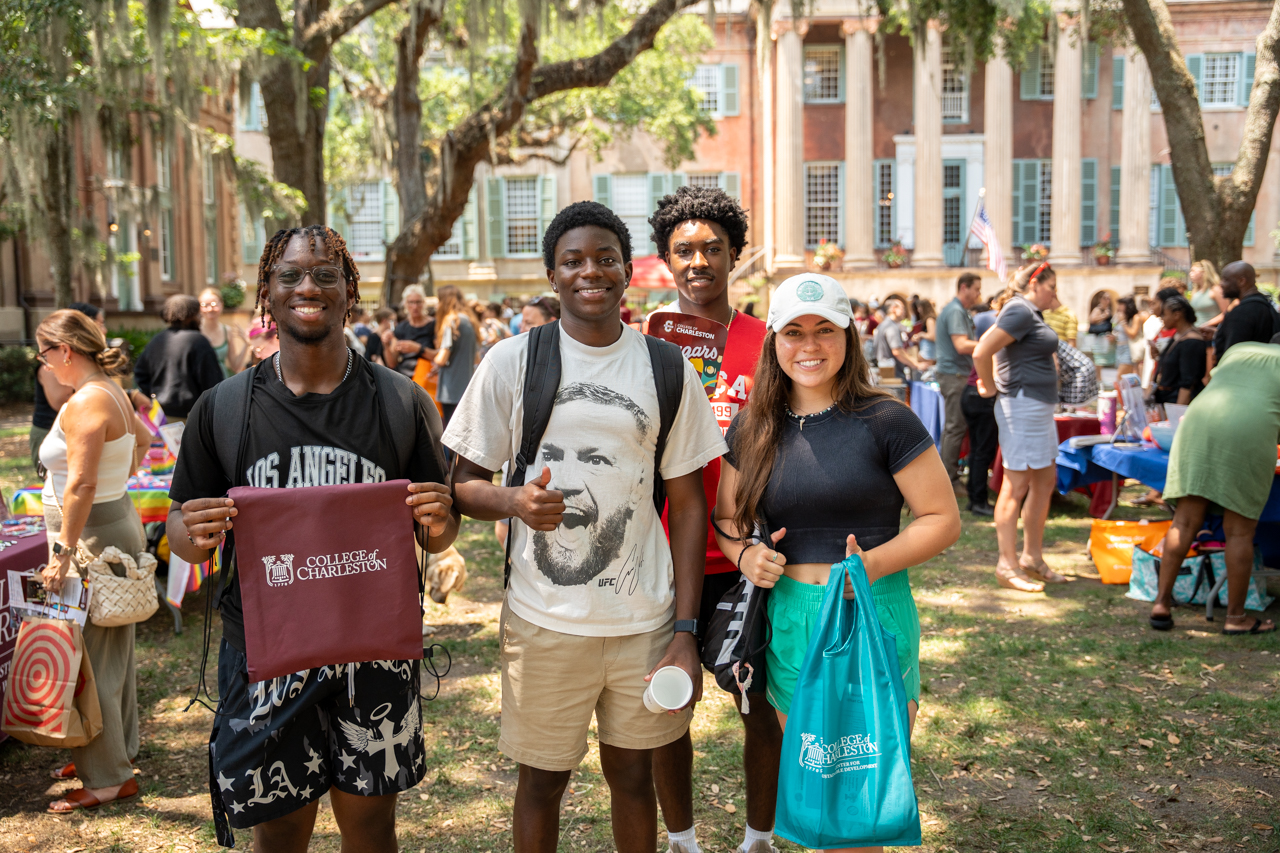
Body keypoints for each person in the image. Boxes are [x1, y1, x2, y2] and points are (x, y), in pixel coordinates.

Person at [166, 224, 459, 851]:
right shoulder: (224, 409)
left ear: (348, 291)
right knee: (278, 832)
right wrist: (190, 532)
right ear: (266, 294)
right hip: (266, 652)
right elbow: (183, 535)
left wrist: (439, 518)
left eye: (326, 274)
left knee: (373, 826)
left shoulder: (399, 402)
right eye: (291, 275)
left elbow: (438, 535)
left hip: (374, 653)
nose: (309, 286)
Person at [446, 201, 725, 853]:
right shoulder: (512, 361)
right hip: (545, 620)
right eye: (573, 260)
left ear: (628, 272)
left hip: (644, 622)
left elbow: (687, 504)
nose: (590, 271)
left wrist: (685, 631)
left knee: (633, 777)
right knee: (541, 782)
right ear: (552, 273)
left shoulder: (665, 367)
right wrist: (514, 501)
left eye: (605, 258)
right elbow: (461, 484)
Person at [711, 275, 960, 853]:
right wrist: (745, 556)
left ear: (848, 336)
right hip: (791, 621)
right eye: (794, 332)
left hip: (871, 615)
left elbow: (941, 518)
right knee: (814, 789)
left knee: (859, 803)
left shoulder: (886, 420)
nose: (810, 346)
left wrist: (866, 568)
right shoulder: (753, 425)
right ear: (774, 340)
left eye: (825, 330)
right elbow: (727, 518)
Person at [644, 185, 780, 853]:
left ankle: (758, 838)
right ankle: (683, 839)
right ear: (667, 260)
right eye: (684, 250)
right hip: (660, 554)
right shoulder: (646, 341)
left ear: (735, 256)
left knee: (756, 702)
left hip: (746, 557)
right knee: (670, 704)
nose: (699, 261)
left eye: (712, 249)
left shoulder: (767, 342)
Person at [37, 310, 152, 813]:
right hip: (113, 522)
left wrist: (63, 553)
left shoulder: (85, 402)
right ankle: (111, 748)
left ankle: (108, 777)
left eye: (44, 354)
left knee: (92, 653)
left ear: (65, 351)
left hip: (89, 536)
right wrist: (117, 479)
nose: (43, 364)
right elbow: (143, 443)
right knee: (112, 649)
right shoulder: (114, 393)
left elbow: (79, 485)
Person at [1148, 341, 1279, 636]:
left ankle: (1161, 604)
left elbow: (1212, 380)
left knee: (1184, 520)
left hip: (1198, 421)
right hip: (1248, 432)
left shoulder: (1240, 349)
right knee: (1239, 531)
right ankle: (1236, 617)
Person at [973, 262, 1063, 593]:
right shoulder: (1020, 310)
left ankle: (1031, 558)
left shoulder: (1030, 313)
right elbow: (983, 349)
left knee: (1044, 481)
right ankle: (1006, 564)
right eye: (1052, 286)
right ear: (1035, 283)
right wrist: (989, 386)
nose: (1055, 293)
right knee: (1016, 484)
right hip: (1021, 406)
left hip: (1035, 406)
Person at [31, 302, 106, 468]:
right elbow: (60, 402)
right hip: (48, 433)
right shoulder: (53, 366)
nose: (104, 330)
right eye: (100, 324)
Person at [130, 294, 224, 421]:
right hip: (191, 416)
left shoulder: (157, 340)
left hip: (161, 416)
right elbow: (212, 381)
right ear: (191, 315)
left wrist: (152, 394)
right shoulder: (198, 341)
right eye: (197, 314)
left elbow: (140, 373)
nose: (200, 318)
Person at [934, 273, 982, 491]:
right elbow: (962, 345)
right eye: (976, 289)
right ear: (964, 287)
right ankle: (950, 480)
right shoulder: (955, 311)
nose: (978, 294)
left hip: (956, 375)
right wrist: (990, 343)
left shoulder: (957, 310)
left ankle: (948, 476)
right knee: (955, 428)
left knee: (953, 427)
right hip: (955, 376)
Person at [961, 301, 999, 516]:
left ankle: (975, 497)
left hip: (970, 393)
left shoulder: (984, 334)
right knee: (982, 451)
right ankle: (978, 500)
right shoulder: (993, 342)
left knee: (977, 451)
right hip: (981, 396)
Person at [1212, 262, 1280, 367]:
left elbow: (1232, 355)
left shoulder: (1242, 313)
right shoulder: (1265, 305)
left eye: (1225, 279)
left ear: (1241, 281)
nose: (1221, 284)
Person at [432, 285, 478, 426]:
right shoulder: (469, 320)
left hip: (451, 388)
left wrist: (431, 357)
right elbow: (476, 357)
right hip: (467, 385)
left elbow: (442, 358)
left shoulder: (452, 321)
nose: (437, 304)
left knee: (451, 433)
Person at [1152, 295, 1208, 406]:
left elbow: (1188, 383)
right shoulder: (1178, 336)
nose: (1161, 318)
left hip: (1177, 401)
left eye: (1164, 314)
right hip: (1167, 398)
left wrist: (1177, 413)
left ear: (1177, 315)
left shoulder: (1191, 341)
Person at [198, 287, 250, 377]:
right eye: (205, 305)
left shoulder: (227, 331)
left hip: (220, 383)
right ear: (199, 307)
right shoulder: (195, 331)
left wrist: (246, 344)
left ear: (221, 305)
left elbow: (235, 366)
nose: (210, 309)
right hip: (201, 383)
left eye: (214, 304)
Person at [387, 284, 436, 377]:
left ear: (423, 303)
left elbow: (439, 355)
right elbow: (392, 362)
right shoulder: (401, 327)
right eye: (411, 302)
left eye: (418, 302)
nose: (415, 306)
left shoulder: (433, 325)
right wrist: (385, 345)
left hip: (427, 376)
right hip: (405, 377)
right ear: (405, 304)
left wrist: (417, 348)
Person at [872, 297, 923, 381]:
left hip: (886, 376)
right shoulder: (891, 327)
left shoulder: (883, 325)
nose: (904, 311)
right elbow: (897, 351)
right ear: (894, 309)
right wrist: (915, 365)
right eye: (902, 308)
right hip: (894, 377)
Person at [1115, 295, 1143, 381]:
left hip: (1128, 350)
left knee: (1120, 377)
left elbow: (1132, 334)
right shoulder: (1122, 316)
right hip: (1119, 348)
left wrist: (1123, 322)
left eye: (1121, 304)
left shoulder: (1135, 317)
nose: (1119, 307)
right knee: (1124, 379)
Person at [1086, 292, 1116, 374]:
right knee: (1098, 359)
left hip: (1105, 337)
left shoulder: (1108, 309)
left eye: (1108, 298)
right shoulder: (1097, 309)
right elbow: (1092, 320)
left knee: (1102, 358)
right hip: (1099, 337)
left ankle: (1100, 379)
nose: (1107, 300)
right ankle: (1098, 378)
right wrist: (1104, 316)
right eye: (1105, 298)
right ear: (1100, 299)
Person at [1188, 260, 1224, 327]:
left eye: (1193, 271)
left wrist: (1207, 324)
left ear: (1203, 272)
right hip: (1196, 330)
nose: (1190, 274)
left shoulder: (1216, 289)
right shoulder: (1195, 291)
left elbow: (1226, 313)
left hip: (1211, 331)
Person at [914, 299, 938, 365]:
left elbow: (932, 336)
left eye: (919, 307)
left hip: (929, 352)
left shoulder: (930, 319)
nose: (918, 310)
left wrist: (921, 335)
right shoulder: (930, 318)